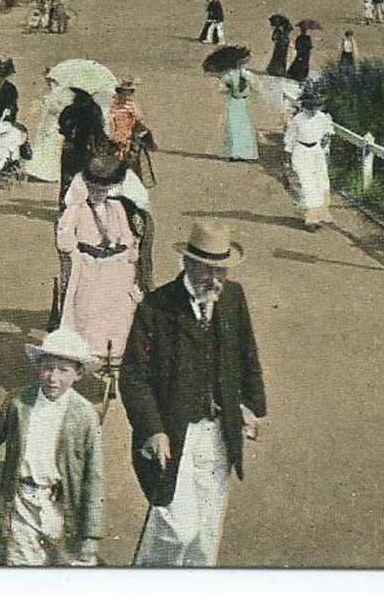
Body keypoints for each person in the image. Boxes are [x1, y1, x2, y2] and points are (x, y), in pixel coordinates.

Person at [122, 221, 268, 567]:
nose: (216, 281)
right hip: (174, 435)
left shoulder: (233, 298)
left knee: (205, 535)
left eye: (223, 272)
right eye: (208, 272)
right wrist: (152, 429)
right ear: (187, 264)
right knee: (177, 528)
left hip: (218, 433)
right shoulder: (156, 308)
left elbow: (247, 352)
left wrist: (247, 406)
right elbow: (133, 376)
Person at [0, 328, 104, 567]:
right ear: (38, 367)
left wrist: (91, 535)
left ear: (78, 374)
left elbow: (94, 477)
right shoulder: (18, 403)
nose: (53, 378)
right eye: (48, 368)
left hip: (62, 507)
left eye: (63, 370)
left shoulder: (85, 415)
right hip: (21, 501)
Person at [57, 149, 143, 366]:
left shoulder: (117, 207)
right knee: (90, 310)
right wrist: (79, 257)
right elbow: (65, 240)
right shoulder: (76, 210)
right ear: (87, 187)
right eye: (94, 189)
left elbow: (127, 235)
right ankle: (91, 352)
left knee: (119, 308)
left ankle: (114, 353)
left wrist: (125, 251)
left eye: (103, 190)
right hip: (89, 265)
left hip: (115, 264)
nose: (99, 193)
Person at [283, 88, 334, 231]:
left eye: (316, 106)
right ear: (304, 105)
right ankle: (310, 220)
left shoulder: (322, 117)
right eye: (310, 106)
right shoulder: (297, 120)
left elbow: (327, 134)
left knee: (320, 183)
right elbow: (289, 139)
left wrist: (325, 145)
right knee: (307, 185)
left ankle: (319, 215)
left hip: (317, 152)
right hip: (301, 152)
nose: (313, 109)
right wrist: (287, 160)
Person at [57, 86, 107, 205]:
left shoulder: (70, 109)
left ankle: (65, 204)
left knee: (67, 177)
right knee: (87, 177)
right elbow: (99, 130)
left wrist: (67, 132)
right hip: (88, 148)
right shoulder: (95, 109)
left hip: (71, 146)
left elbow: (62, 126)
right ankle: (85, 204)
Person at [26, 71, 70, 185]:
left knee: (51, 147)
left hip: (56, 122)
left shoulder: (63, 92)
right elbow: (40, 102)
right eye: (47, 80)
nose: (49, 82)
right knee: (41, 145)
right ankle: (37, 172)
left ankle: (49, 175)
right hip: (46, 121)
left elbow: (64, 108)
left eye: (51, 80)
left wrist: (54, 109)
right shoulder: (46, 91)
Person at [220, 59, 258, 162]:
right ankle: (233, 154)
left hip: (244, 101)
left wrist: (247, 79)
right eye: (240, 63)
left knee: (245, 127)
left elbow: (256, 86)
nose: (242, 65)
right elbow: (222, 88)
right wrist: (228, 87)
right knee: (233, 127)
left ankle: (247, 154)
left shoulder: (247, 74)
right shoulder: (229, 74)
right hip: (233, 101)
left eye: (243, 64)